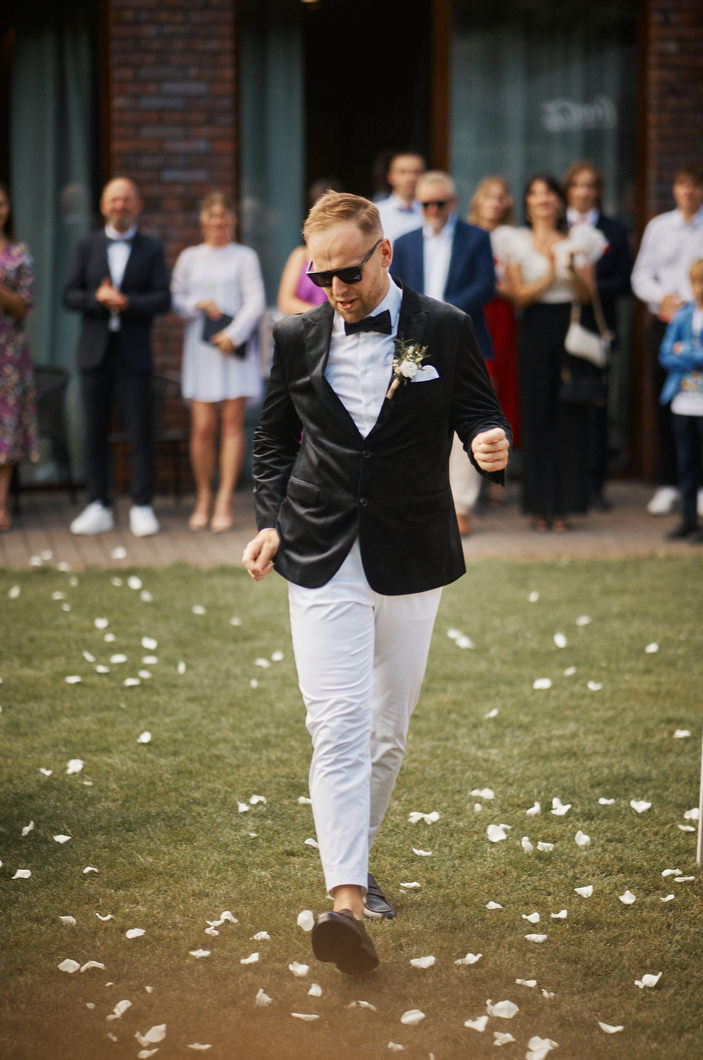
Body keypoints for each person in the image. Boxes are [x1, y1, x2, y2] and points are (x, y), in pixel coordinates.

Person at [242, 191, 510, 976]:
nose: (335, 289)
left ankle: (357, 863)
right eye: (320, 276)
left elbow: (479, 413)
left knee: (387, 733)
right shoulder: (294, 336)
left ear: (384, 253)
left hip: (412, 552)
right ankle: (347, 906)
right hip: (318, 550)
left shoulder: (444, 327)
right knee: (338, 725)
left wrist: (489, 443)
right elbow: (273, 440)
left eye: (348, 273)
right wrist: (269, 521)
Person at [64, 177, 170, 537]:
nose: (120, 205)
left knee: (141, 430)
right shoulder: (87, 245)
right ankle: (99, 504)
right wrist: (97, 299)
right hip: (94, 353)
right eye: (114, 200)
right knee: (94, 431)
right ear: (103, 205)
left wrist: (127, 303)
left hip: (134, 353)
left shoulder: (152, 247)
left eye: (126, 199)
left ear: (137, 205)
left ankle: (142, 505)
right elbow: (69, 295)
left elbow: (163, 299)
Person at [392, 171, 496, 535]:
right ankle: (419, 500)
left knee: (467, 416)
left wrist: (443, 314)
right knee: (414, 417)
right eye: (426, 204)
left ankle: (461, 506)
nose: (433, 210)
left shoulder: (477, 237)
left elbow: (485, 285)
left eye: (439, 203)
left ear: (453, 203)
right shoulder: (403, 243)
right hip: (415, 342)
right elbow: (395, 289)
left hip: (465, 338)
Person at [504, 173, 607, 531]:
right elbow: (519, 297)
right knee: (536, 415)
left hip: (570, 329)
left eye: (548, 193)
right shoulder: (515, 241)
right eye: (535, 193)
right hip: (534, 328)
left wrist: (572, 271)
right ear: (527, 203)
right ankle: (538, 505)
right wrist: (550, 272)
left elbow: (587, 296)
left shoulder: (579, 240)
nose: (543, 199)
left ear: (559, 201)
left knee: (569, 414)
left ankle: (564, 505)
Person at [171, 191, 265, 532]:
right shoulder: (189, 257)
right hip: (202, 352)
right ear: (202, 221)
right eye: (211, 216)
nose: (217, 222)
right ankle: (204, 496)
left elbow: (255, 302)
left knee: (231, 425)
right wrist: (196, 303)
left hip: (233, 350)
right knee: (202, 428)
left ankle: (225, 498)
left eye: (223, 216)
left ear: (233, 220)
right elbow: (176, 299)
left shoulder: (244, 256)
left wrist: (234, 335)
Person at [631, 161, 703, 516]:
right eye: (683, 184)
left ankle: (702, 486)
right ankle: (670, 482)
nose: (688, 191)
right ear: (675, 188)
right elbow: (641, 277)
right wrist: (663, 298)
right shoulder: (659, 227)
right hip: (668, 323)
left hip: (702, 322)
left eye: (695, 184)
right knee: (666, 401)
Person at [563, 160, 633, 509]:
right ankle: (564, 484)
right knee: (561, 404)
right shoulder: (556, 227)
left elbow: (624, 282)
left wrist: (592, 285)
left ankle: (594, 485)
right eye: (578, 185)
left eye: (590, 186)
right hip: (559, 326)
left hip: (597, 328)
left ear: (598, 192)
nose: (584, 192)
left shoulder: (614, 230)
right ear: (568, 190)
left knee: (596, 406)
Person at [468, 175, 521, 450]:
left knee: (501, 381)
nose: (495, 203)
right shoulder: (464, 233)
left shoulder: (512, 239)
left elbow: (517, 288)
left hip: (500, 316)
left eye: (500, 198)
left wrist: (487, 283)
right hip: (471, 312)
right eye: (489, 196)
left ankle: (500, 453)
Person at [658, 258, 703, 541]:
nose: (700, 288)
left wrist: (685, 351)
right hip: (683, 401)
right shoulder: (683, 316)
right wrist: (693, 356)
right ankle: (688, 519)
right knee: (686, 463)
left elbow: (681, 352)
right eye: (696, 282)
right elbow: (665, 353)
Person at [0, 183, 38, 532]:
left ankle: (0, 506)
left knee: (6, 427)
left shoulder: (18, 254)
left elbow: (24, 307)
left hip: (7, 355)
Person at [277, 180, 342, 317]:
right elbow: (285, 302)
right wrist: (324, 316)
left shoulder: (346, 255)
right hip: (309, 323)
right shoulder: (300, 255)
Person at [376, 152, 425, 242]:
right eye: (403, 172)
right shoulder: (376, 213)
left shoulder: (433, 211)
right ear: (390, 177)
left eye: (416, 172)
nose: (410, 178)